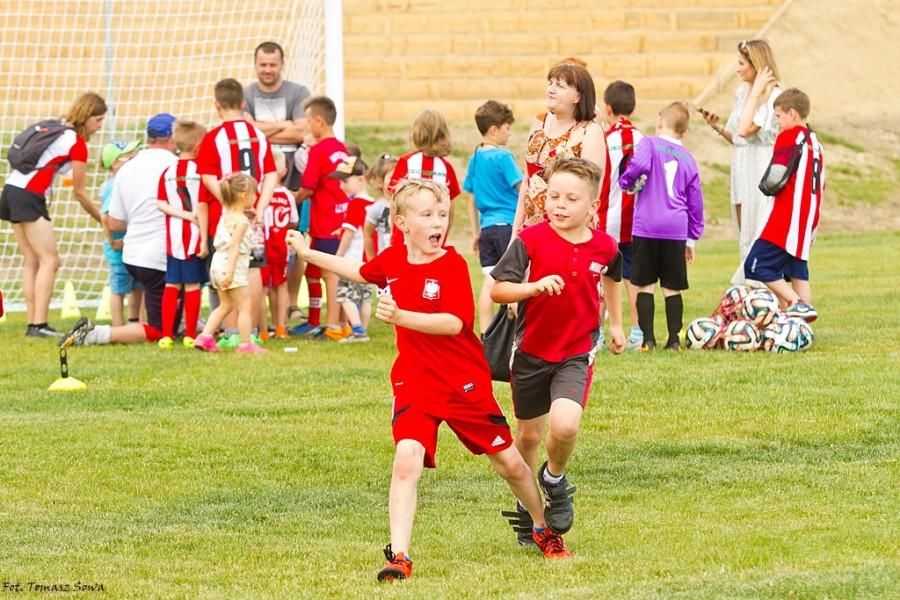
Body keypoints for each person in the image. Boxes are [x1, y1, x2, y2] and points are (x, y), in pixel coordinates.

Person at [287, 179, 571, 581]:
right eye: (427, 215)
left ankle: (542, 528)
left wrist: (401, 317)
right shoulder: (392, 261)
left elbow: (454, 323)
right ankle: (398, 556)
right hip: (415, 384)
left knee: (510, 465)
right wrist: (307, 251)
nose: (438, 222)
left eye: (442, 214)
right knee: (406, 461)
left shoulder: (452, 264)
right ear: (402, 223)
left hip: (463, 385)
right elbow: (360, 269)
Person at [491, 157, 625, 544]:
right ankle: (528, 506)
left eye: (570, 198)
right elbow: (499, 289)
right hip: (531, 351)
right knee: (529, 437)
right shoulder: (532, 239)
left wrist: (616, 323)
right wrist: (531, 288)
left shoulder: (604, 245)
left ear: (593, 207)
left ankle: (553, 478)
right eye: (553, 196)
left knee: (565, 425)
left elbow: (613, 276)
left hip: (576, 352)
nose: (559, 205)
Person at [58, 114, 182, 349]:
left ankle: (185, 321)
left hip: (133, 255)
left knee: (170, 317)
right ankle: (96, 334)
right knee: (161, 330)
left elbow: (115, 223)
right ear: (173, 137)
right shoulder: (177, 166)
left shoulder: (128, 167)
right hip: (160, 258)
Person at [1, 92, 105, 337]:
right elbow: (80, 192)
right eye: (98, 120)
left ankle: (33, 323)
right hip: (29, 195)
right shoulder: (76, 143)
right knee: (51, 260)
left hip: (11, 190)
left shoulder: (57, 126)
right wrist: (103, 220)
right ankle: (39, 325)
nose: (100, 126)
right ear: (87, 116)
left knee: (33, 260)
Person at [196, 78, 278, 348]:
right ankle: (249, 332)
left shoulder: (213, 137)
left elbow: (208, 178)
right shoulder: (258, 135)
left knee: (228, 260)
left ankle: (233, 334)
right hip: (254, 215)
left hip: (228, 216)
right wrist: (260, 207)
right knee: (251, 267)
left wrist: (231, 203)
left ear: (216, 106)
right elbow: (270, 174)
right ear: (243, 104)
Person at [618, 101, 705, 352]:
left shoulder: (648, 143)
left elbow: (640, 165)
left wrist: (627, 180)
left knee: (644, 284)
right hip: (676, 228)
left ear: (659, 122)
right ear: (684, 132)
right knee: (672, 286)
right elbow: (695, 202)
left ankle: (648, 340)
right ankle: (674, 341)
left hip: (647, 226)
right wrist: (691, 239)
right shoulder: (688, 158)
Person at [701, 39, 783, 286]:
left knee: (759, 228)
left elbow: (747, 130)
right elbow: (737, 136)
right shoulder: (741, 93)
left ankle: (763, 289)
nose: (737, 69)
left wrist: (757, 94)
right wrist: (716, 127)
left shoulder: (774, 95)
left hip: (760, 163)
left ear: (756, 64)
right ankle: (749, 292)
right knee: (743, 231)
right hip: (741, 164)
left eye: (741, 63)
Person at [744, 88, 823, 322]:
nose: (777, 122)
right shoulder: (816, 142)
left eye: (778, 116)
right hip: (806, 218)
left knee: (756, 265)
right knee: (798, 273)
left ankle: (796, 304)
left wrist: (765, 187)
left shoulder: (789, 137)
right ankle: (800, 329)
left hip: (786, 216)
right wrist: (814, 224)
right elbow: (821, 186)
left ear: (791, 114)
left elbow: (776, 175)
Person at [513, 62, 606, 232]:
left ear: (578, 97)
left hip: (569, 234)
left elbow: (590, 193)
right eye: (550, 83)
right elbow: (527, 181)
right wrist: (515, 233)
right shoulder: (538, 123)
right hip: (531, 231)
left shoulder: (590, 132)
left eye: (560, 86)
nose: (550, 90)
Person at [289, 95, 349, 340]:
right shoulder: (341, 148)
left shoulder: (319, 150)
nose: (307, 127)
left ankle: (333, 326)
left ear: (319, 122)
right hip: (338, 217)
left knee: (329, 273)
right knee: (312, 273)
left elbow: (308, 188)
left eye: (308, 122)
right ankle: (315, 321)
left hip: (326, 223)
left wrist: (291, 198)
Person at [463, 100, 523, 335]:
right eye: (507, 127)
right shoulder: (503, 157)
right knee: (515, 283)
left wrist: (476, 232)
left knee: (490, 283)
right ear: (494, 129)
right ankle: (520, 331)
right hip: (508, 227)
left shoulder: (475, 158)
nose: (509, 133)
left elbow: (470, 197)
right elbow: (522, 188)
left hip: (487, 230)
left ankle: (487, 333)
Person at [193, 174, 266, 354]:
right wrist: (231, 272)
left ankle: (205, 336)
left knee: (225, 305)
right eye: (254, 194)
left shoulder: (227, 216)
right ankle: (245, 344)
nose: (256, 197)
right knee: (245, 307)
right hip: (231, 267)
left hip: (216, 265)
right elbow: (234, 246)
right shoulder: (241, 222)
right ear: (244, 196)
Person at [598, 80, 645, 351]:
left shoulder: (605, 140)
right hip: (636, 222)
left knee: (604, 276)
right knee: (632, 279)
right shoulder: (643, 140)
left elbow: (599, 178)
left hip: (608, 220)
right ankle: (637, 332)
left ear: (607, 108)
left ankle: (599, 333)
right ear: (634, 107)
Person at [156, 121, 209, 348]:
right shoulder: (201, 171)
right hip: (194, 237)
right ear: (198, 146)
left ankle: (166, 335)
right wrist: (204, 238)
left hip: (174, 238)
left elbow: (160, 204)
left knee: (171, 285)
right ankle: (189, 334)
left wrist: (182, 215)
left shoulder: (167, 171)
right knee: (192, 286)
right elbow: (203, 206)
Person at [242, 41, 311, 192]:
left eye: (273, 65)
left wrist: (256, 128)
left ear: (282, 65)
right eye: (263, 64)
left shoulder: (299, 92)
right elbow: (244, 135)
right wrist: (284, 124)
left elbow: (301, 133)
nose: (268, 70)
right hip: (256, 180)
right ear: (255, 64)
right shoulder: (245, 95)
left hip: (293, 181)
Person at [388, 109, 461, 245]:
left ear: (416, 133)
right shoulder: (446, 167)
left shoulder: (406, 162)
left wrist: (393, 231)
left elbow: (394, 202)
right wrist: (444, 237)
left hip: (404, 236)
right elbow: (450, 208)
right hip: (434, 238)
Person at [99, 139, 143, 327]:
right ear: (115, 163)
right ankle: (118, 325)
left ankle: (135, 321)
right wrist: (112, 242)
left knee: (138, 286)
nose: (135, 160)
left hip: (133, 247)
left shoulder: (127, 183)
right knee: (118, 289)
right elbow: (105, 217)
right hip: (119, 250)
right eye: (130, 158)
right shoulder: (113, 186)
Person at [330, 155, 373, 342]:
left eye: (345, 181)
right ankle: (363, 328)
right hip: (367, 259)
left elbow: (349, 233)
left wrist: (337, 257)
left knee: (345, 294)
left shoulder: (355, 204)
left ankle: (357, 330)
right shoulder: (372, 204)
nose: (341, 186)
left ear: (361, 180)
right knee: (365, 297)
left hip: (351, 259)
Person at [260, 150, 299, 339]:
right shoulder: (288, 196)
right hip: (281, 246)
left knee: (262, 287)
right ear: (284, 171)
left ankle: (262, 329)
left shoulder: (260, 193)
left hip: (263, 245)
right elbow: (293, 221)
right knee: (281, 285)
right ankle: (280, 326)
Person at [363, 154, 399, 261]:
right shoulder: (377, 208)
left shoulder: (407, 205)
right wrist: (371, 262)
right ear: (380, 182)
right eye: (392, 177)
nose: (398, 180)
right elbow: (368, 235)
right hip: (385, 259)